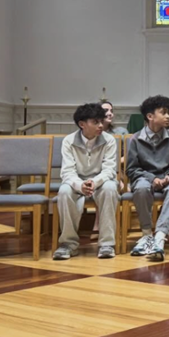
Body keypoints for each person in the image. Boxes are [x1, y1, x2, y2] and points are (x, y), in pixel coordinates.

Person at [53, 103, 119, 260]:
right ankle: (68, 244)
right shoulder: (68, 141)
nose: (101, 125)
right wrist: (80, 185)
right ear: (82, 124)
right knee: (64, 191)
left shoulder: (109, 140)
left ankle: (106, 244)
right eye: (95, 122)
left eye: (101, 121)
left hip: (101, 181)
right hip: (77, 181)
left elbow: (109, 170)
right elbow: (67, 172)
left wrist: (94, 182)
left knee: (110, 188)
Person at [126, 95, 169, 261]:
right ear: (150, 116)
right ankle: (146, 234)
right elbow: (132, 169)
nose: (168, 116)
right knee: (141, 188)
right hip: (144, 178)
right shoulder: (135, 139)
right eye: (163, 112)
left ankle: (159, 236)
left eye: (168, 112)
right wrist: (152, 178)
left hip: (167, 179)